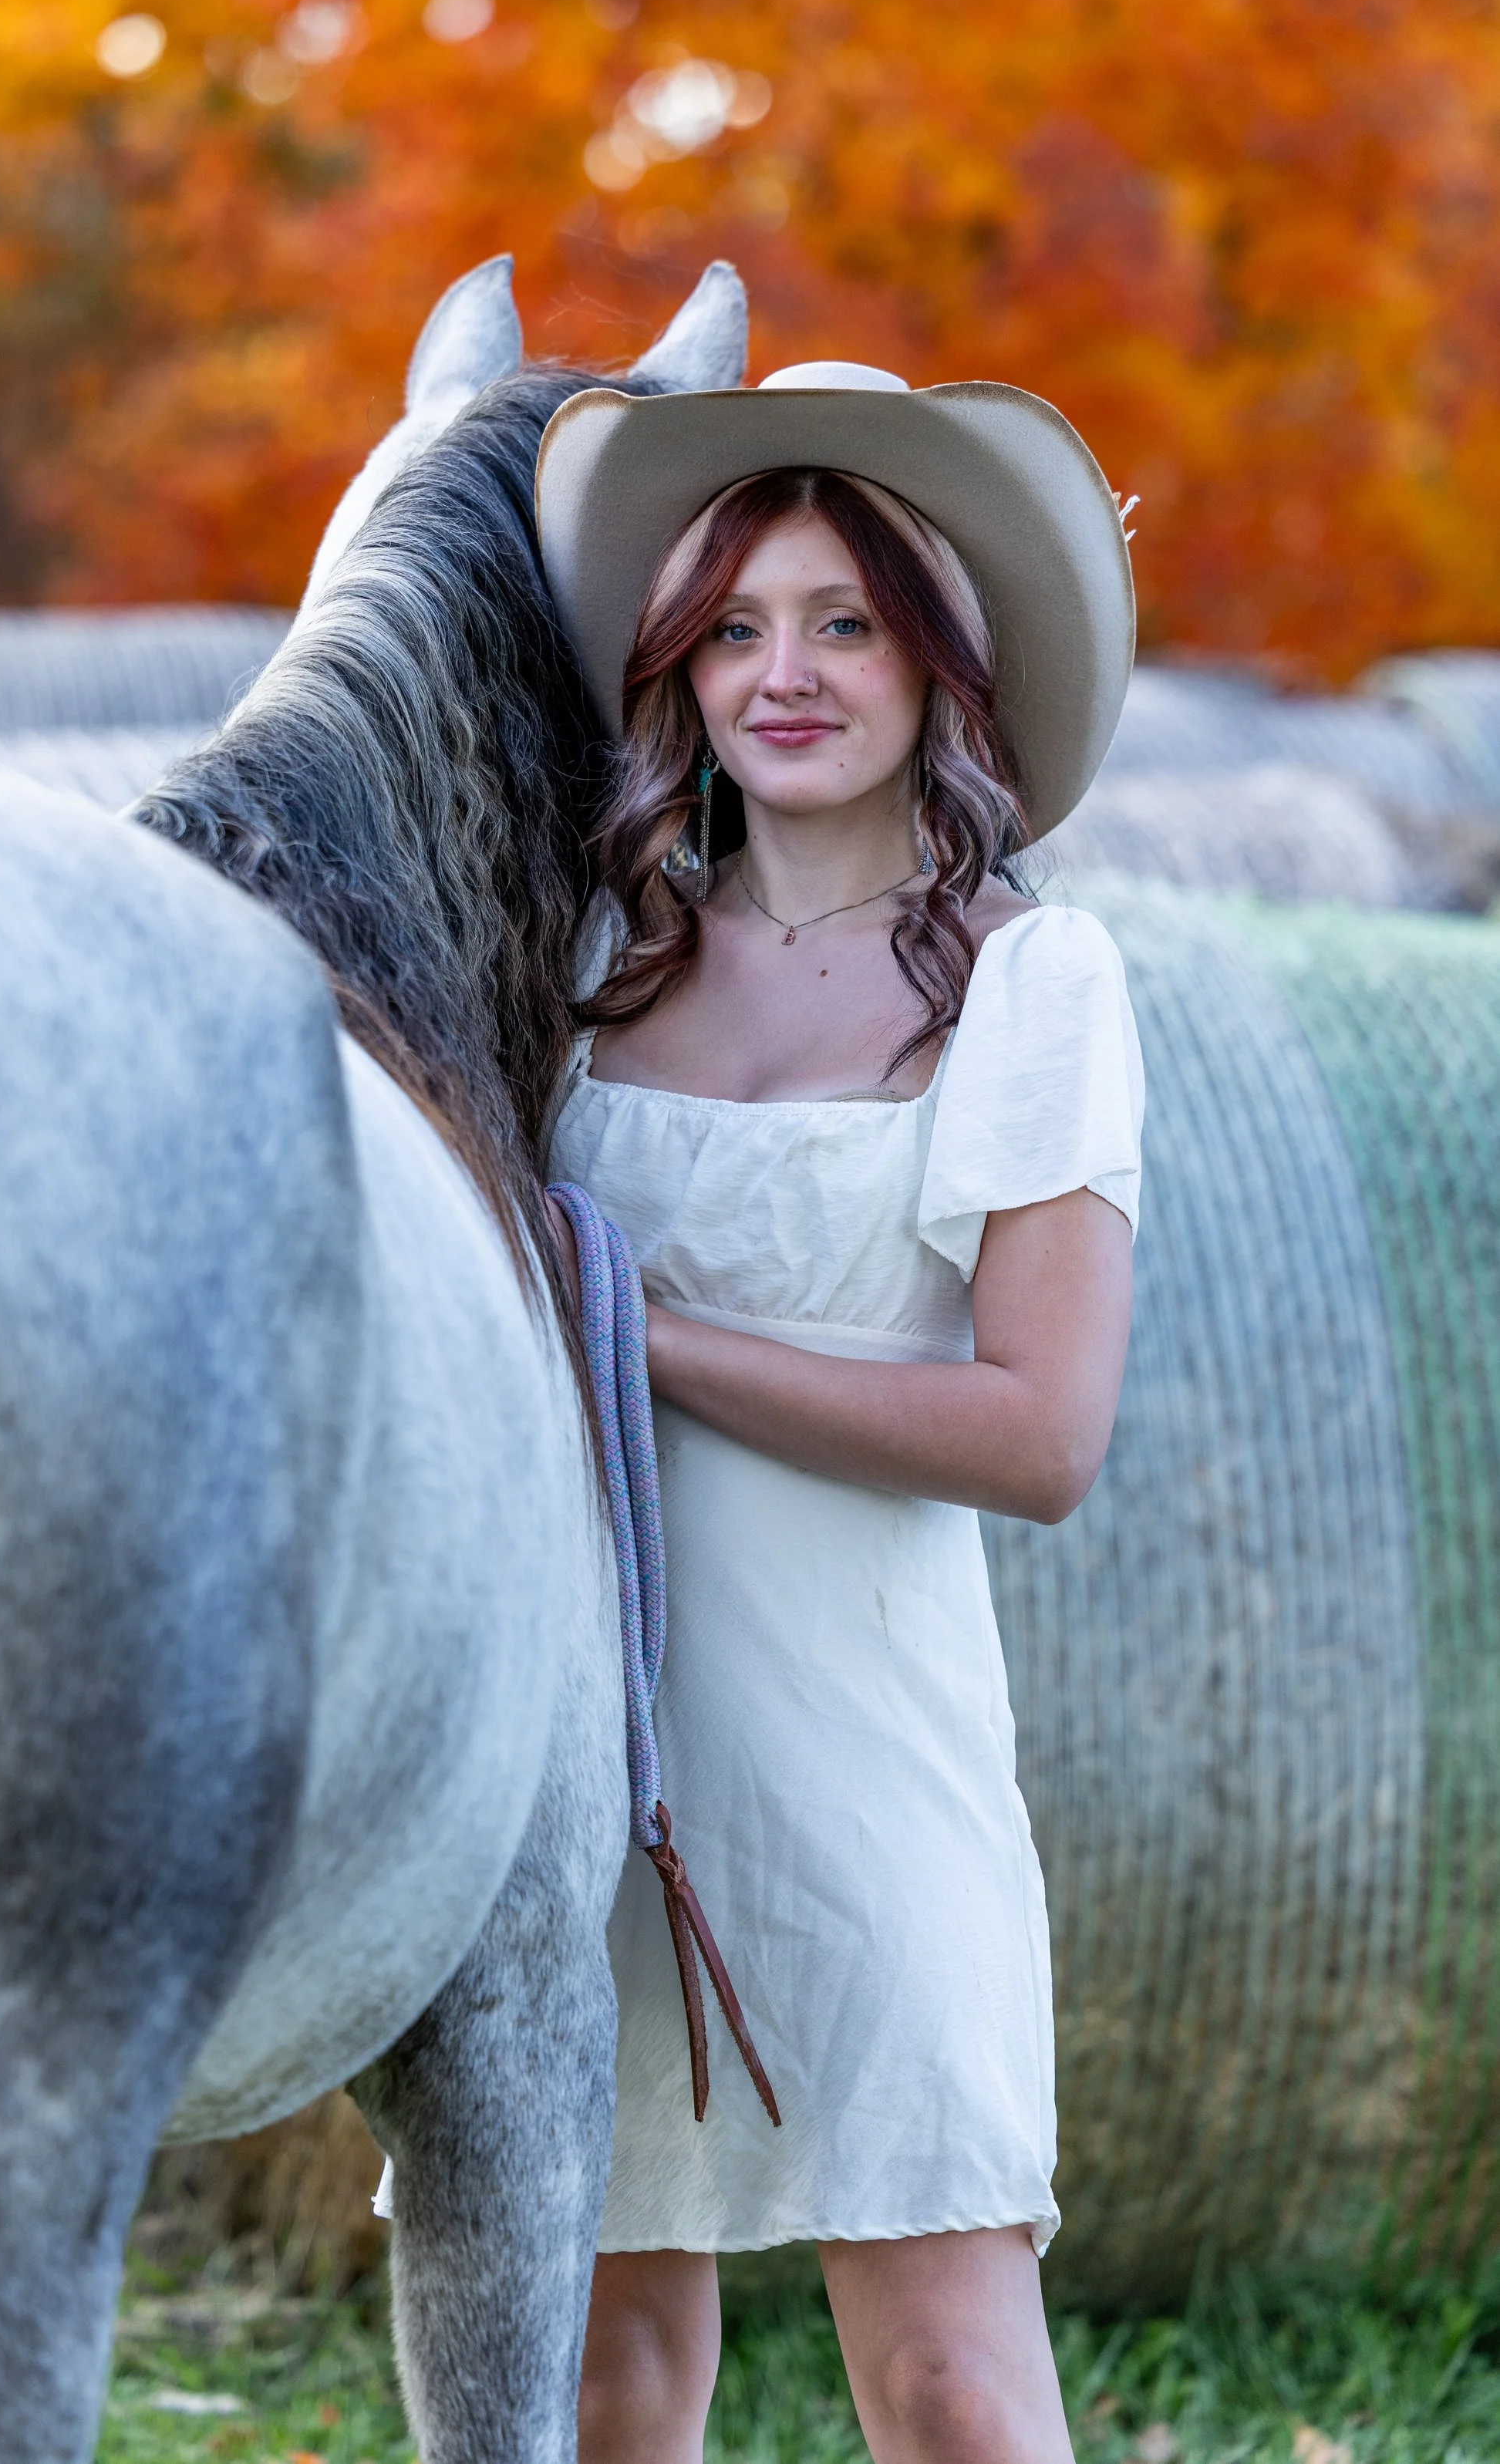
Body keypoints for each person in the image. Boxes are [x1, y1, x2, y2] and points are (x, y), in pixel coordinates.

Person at [535, 363, 1144, 2464]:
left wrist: (646, 1339)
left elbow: (1040, 1432)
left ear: (941, 657)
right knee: (597, 2373)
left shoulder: (1027, 981)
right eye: (732, 627)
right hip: (578, 1742)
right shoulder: (589, 955)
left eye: (842, 622)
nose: (779, 674)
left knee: (949, 2383)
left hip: (859, 1739)